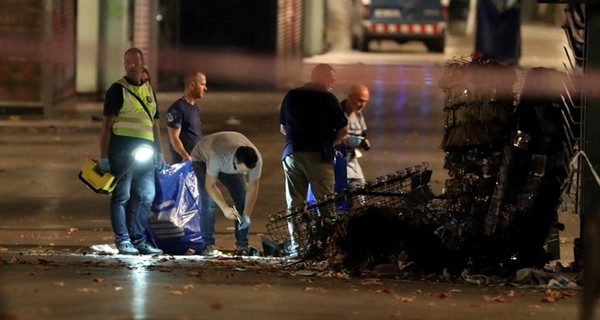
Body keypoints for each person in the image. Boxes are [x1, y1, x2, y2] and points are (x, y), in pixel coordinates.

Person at [98, 47, 164, 255]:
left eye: (136, 61)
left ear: (143, 62)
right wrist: (103, 155)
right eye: (128, 62)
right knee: (122, 196)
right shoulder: (117, 90)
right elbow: (106, 126)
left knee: (146, 196)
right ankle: (123, 240)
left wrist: (160, 152)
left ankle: (139, 239)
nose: (132, 65)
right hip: (122, 153)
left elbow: (155, 125)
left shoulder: (149, 90)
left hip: (147, 152)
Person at [279, 63, 349, 211]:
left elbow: (283, 128)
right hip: (318, 155)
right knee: (325, 203)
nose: (333, 82)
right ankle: (326, 234)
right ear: (321, 77)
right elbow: (343, 129)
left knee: (294, 206)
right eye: (331, 78)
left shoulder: (291, 95)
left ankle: (296, 235)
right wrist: (331, 142)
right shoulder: (327, 98)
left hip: (291, 154)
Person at [190, 131, 262, 256]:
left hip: (228, 160)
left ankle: (242, 245)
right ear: (235, 161)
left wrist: (246, 215)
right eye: (243, 170)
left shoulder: (256, 161)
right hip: (202, 158)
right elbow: (210, 185)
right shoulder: (218, 157)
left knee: (242, 198)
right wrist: (225, 208)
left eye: (248, 171)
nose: (245, 174)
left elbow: (253, 188)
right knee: (209, 202)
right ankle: (208, 245)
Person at [166, 72, 207, 163]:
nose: (205, 88)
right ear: (192, 85)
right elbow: (174, 137)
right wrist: (186, 156)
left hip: (196, 161)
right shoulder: (177, 108)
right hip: (184, 163)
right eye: (202, 84)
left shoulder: (195, 108)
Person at [340, 84, 371, 189]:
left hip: (353, 166)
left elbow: (363, 134)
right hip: (339, 166)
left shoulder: (358, 115)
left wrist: (363, 142)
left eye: (365, 102)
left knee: (361, 197)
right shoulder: (337, 114)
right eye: (360, 100)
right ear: (350, 97)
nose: (362, 105)